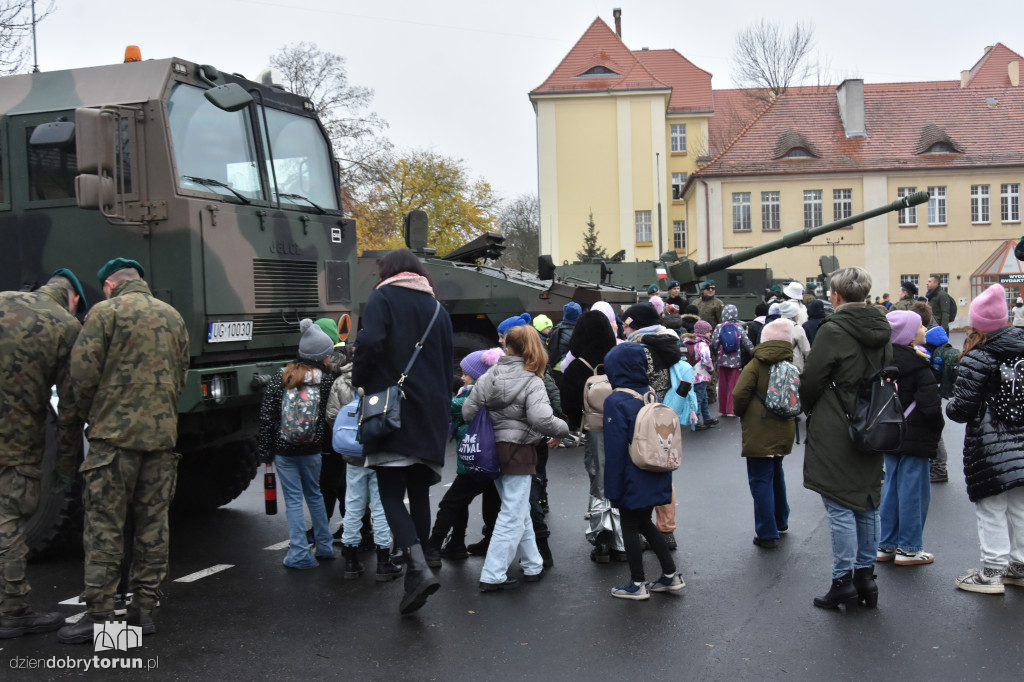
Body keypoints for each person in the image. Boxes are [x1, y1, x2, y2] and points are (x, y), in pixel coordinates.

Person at [59, 258, 189, 643]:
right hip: (161, 439)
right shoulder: (172, 316)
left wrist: (92, 415)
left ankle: (99, 614)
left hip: (113, 441)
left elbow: (82, 376)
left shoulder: (104, 314)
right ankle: (143, 610)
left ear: (110, 286)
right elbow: (180, 373)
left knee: (105, 525)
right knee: (153, 526)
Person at [352, 249, 453, 615]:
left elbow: (370, 342)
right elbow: (446, 364)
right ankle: (421, 560)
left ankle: (417, 567)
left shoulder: (383, 296)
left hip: (392, 408)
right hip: (430, 412)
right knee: (419, 491)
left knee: (390, 492)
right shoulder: (438, 309)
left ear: (388, 272)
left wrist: (359, 380)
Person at [0, 269, 86, 639]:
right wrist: (66, 470)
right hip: (17, 439)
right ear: (74, 299)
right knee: (9, 519)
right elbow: (69, 410)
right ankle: (14, 611)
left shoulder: (2, 298)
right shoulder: (66, 327)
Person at [800, 266, 891, 610]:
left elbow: (811, 379)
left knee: (839, 502)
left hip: (837, 420)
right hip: (874, 419)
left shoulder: (833, 329)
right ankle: (865, 578)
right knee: (867, 500)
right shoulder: (883, 326)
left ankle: (842, 581)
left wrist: (813, 410)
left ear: (836, 296)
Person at [463, 325, 569, 592]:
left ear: (507, 348)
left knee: (517, 510)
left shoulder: (489, 376)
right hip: (520, 451)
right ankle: (493, 573)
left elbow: (467, 412)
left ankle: (533, 564)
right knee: (512, 513)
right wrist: (565, 430)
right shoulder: (532, 379)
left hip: (491, 451)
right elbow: (541, 418)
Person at [946, 283, 1024, 594]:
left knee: (991, 507)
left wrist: (951, 401)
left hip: (990, 446)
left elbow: (961, 410)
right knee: (1020, 507)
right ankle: (1019, 565)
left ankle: (991, 572)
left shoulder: (978, 358)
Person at [602, 342, 686, 600]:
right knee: (645, 523)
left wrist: (612, 489)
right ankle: (670, 575)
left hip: (630, 475)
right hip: (654, 469)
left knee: (629, 525)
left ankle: (637, 582)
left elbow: (615, 450)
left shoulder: (616, 400)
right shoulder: (651, 394)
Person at [256, 319, 338, 570]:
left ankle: (300, 553)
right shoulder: (325, 380)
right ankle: (324, 546)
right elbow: (326, 418)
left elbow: (268, 416)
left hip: (284, 449)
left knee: (292, 499)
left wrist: (266, 451)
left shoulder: (281, 377)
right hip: (312, 449)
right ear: (323, 356)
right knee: (315, 494)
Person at [875, 311, 944, 567]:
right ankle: (910, 548)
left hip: (889, 433)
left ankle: (886, 545)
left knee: (891, 487)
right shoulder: (919, 365)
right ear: (908, 334)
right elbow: (930, 408)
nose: (924, 329)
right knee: (913, 491)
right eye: (919, 326)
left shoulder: (881, 361)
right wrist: (937, 430)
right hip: (916, 435)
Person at [427, 349, 504, 561]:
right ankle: (467, 543)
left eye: (465, 374)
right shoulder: (497, 389)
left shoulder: (475, 394)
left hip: (475, 460)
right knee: (490, 504)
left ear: (479, 376)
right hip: (492, 458)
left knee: (450, 503)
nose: (462, 378)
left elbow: (452, 407)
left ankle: (433, 546)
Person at [560, 311, 621, 562]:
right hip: (625, 430)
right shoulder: (620, 358)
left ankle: (603, 539)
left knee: (599, 483)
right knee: (622, 482)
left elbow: (568, 404)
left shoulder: (577, 366)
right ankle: (625, 538)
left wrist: (578, 423)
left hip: (594, 430)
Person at [732, 319, 796, 550]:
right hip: (784, 427)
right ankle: (781, 520)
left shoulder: (756, 364)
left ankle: (767, 532)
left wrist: (741, 413)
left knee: (760, 478)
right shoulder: (791, 363)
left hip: (760, 428)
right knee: (777, 473)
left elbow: (739, 393)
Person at [710, 304, 753, 417]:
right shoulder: (738, 327)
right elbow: (746, 342)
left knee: (723, 385)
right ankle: (731, 409)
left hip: (721, 360)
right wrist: (754, 352)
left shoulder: (719, 327)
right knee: (733, 385)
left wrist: (716, 354)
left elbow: (714, 343)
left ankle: (723, 408)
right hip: (735, 361)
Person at [684, 320, 717, 430]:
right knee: (699, 398)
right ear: (703, 332)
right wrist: (711, 369)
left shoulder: (690, 342)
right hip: (701, 375)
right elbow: (706, 360)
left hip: (691, 374)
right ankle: (696, 421)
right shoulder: (703, 344)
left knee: (703, 397)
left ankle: (707, 418)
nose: (710, 334)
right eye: (708, 332)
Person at [779, 301, 811, 371]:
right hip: (795, 364)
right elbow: (806, 349)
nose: (798, 316)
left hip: (778, 365)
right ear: (792, 315)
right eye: (797, 314)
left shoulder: (774, 326)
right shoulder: (797, 328)